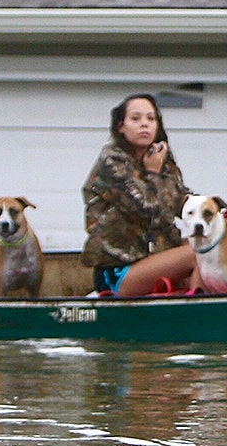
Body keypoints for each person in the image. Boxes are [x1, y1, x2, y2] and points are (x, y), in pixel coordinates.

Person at [82, 93, 196, 297]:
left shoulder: (161, 161)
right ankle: (193, 312)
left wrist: (213, 210)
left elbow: (181, 202)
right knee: (196, 254)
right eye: (135, 118)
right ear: (120, 126)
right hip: (118, 272)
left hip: (154, 260)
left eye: (150, 118)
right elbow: (147, 209)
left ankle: (200, 307)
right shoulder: (112, 163)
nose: (144, 124)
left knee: (212, 248)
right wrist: (153, 174)